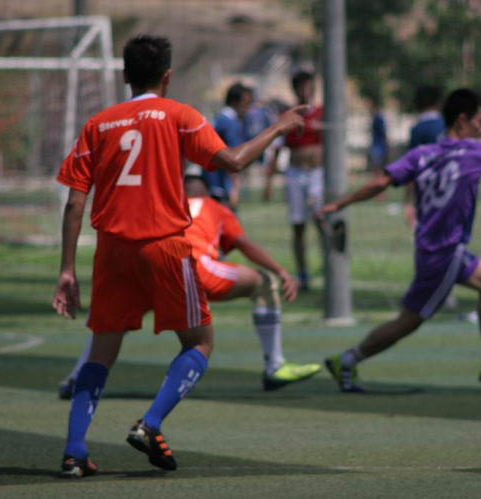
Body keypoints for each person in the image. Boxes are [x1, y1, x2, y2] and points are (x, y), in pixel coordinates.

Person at [53, 34, 305, 478]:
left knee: (99, 355)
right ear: (167, 76)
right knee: (200, 343)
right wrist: (278, 128)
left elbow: (75, 203)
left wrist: (67, 271)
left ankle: (74, 452)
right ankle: (150, 424)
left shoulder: (99, 123)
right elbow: (234, 162)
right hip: (165, 247)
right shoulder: (178, 115)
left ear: (125, 75)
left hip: (111, 251)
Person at [315, 88, 481, 393]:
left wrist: (340, 204)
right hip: (444, 253)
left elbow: (380, 181)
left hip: (433, 248)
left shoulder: (422, 154)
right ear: (461, 120)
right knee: (408, 322)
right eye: (480, 122)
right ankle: (347, 360)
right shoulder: (476, 152)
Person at [58, 167, 321, 398]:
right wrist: (280, 270)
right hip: (194, 268)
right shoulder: (214, 206)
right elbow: (243, 244)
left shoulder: (164, 202)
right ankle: (274, 365)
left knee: (113, 324)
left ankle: (75, 378)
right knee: (263, 285)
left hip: (152, 269)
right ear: (207, 191)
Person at [265, 70, 324, 291]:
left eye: (311, 86)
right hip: (295, 174)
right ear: (296, 89)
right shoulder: (288, 115)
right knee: (298, 225)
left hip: (318, 173)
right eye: (304, 86)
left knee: (322, 220)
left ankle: (330, 268)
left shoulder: (321, 112)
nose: (308, 90)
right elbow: (276, 149)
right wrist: (269, 182)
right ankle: (303, 274)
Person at [200, 82, 253, 209]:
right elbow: (232, 157)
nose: (248, 108)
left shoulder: (221, 118)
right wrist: (234, 188)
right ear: (235, 102)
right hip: (218, 181)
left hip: (210, 179)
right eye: (246, 103)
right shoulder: (229, 122)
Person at [404, 85, 445, 227]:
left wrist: (408, 201)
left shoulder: (418, 129)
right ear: (438, 103)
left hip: (427, 190)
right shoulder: (447, 125)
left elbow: (412, 165)